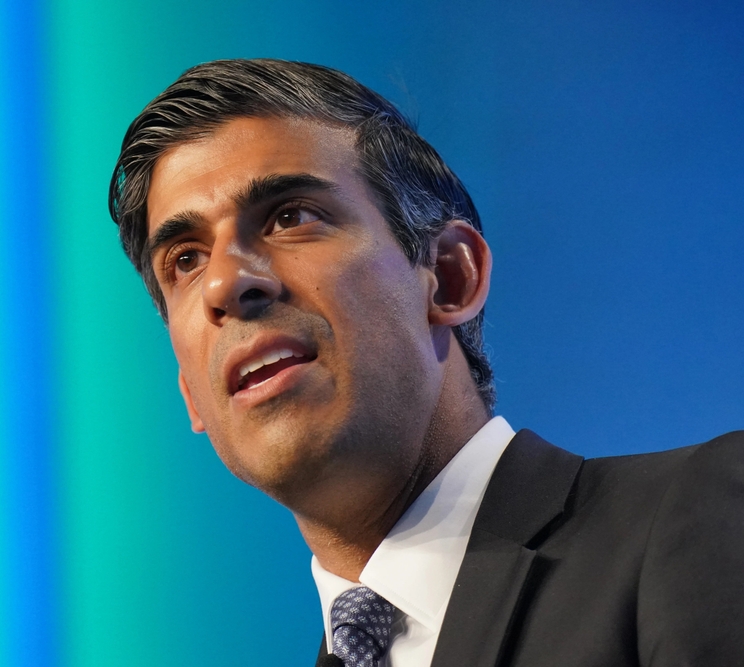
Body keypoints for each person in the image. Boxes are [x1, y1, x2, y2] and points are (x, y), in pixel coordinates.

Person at [107, 59, 744, 667]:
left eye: (290, 217)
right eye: (185, 260)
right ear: (190, 390)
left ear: (448, 277)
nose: (224, 284)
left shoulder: (702, 516)